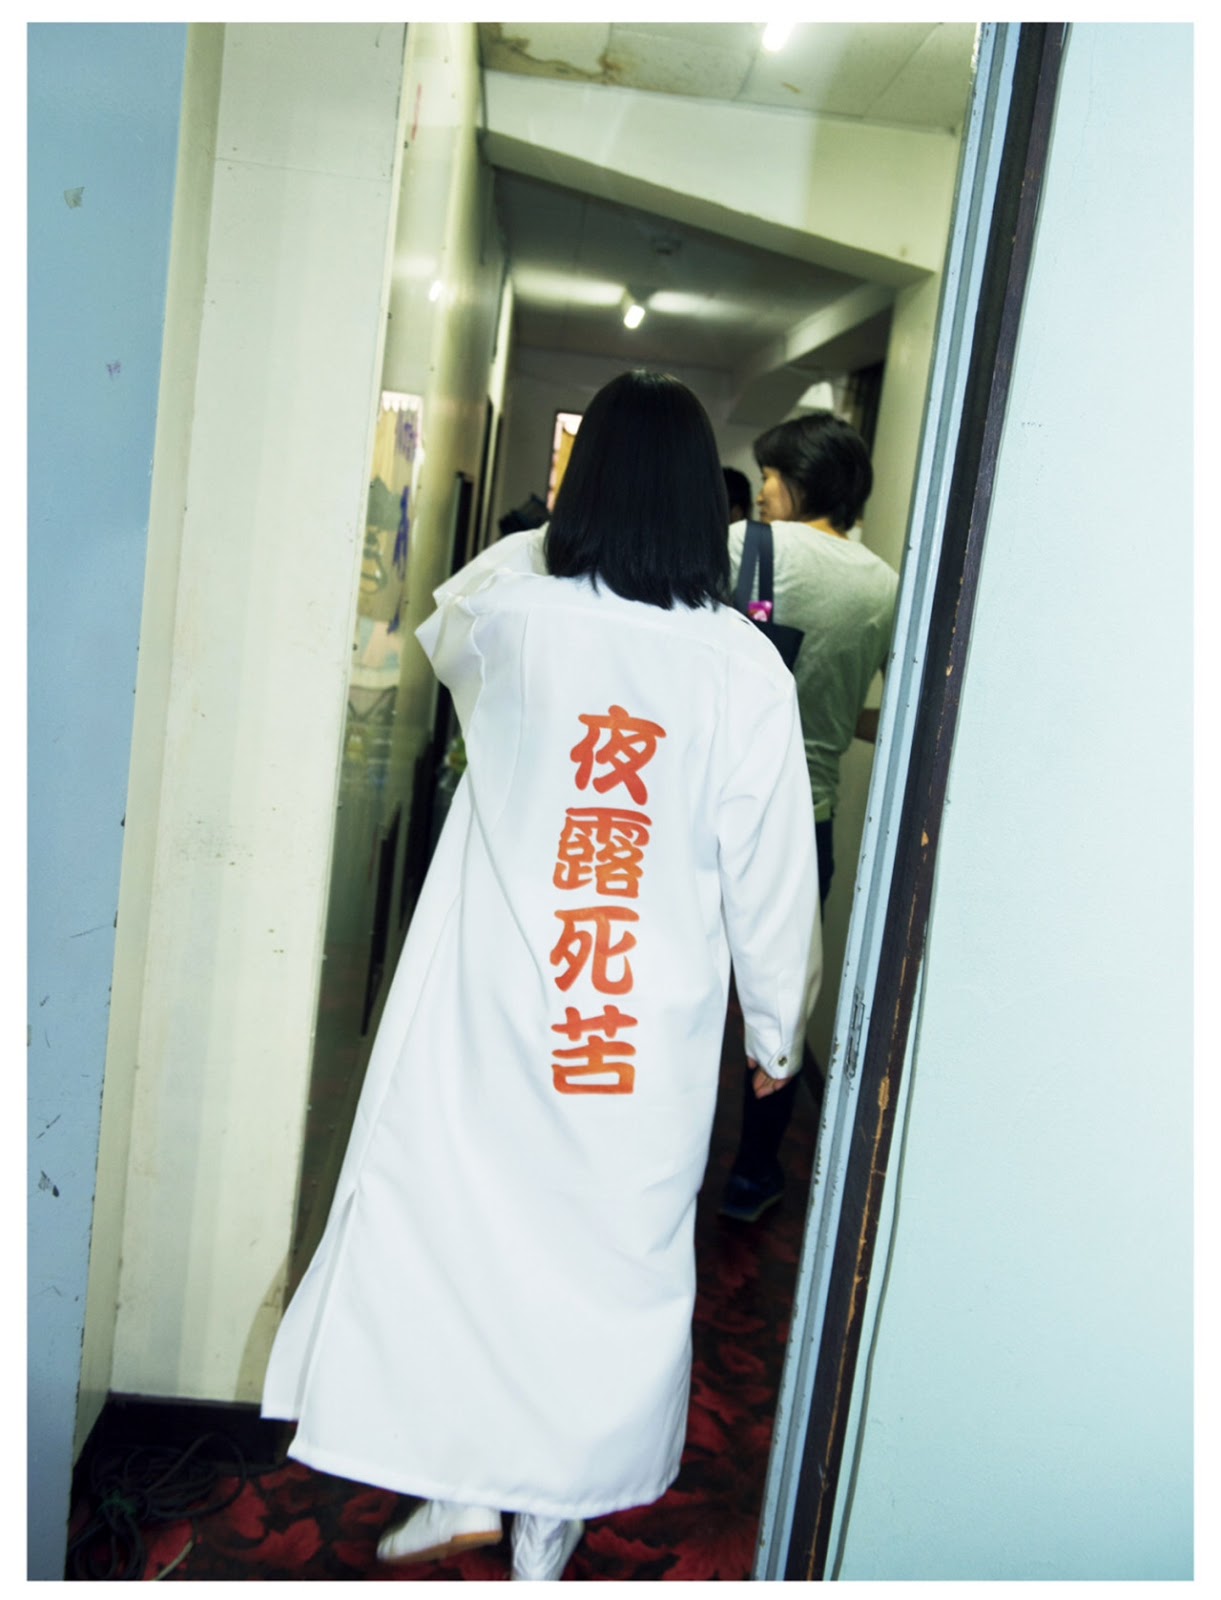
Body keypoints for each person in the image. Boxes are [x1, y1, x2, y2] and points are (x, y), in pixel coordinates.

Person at [261, 370, 822, 1580]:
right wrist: (776, 1031)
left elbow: (465, 598)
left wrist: (561, 538)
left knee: (476, 1243)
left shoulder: (510, 620)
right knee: (603, 1267)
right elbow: (772, 872)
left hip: (498, 1011)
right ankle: (524, 1517)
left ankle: (484, 1488)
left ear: (584, 486)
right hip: (637, 1032)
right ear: (707, 507)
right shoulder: (743, 670)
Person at [720, 409, 898, 1224]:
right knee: (781, 998)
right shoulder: (883, 584)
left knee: (693, 979)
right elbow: (877, 710)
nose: (762, 490)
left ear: (798, 480)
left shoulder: (741, 548)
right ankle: (754, 1174)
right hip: (806, 825)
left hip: (718, 809)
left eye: (769, 474)